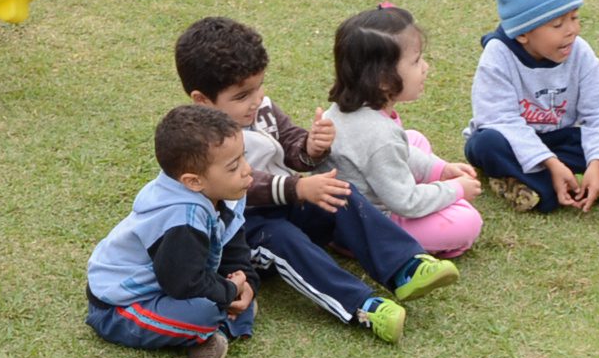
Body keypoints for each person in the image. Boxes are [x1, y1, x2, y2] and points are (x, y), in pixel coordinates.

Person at [86, 106, 418, 358]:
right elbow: (182, 282)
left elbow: (233, 245)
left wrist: (244, 282)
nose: (247, 170)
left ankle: (219, 326)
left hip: (179, 282)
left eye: (242, 156)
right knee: (204, 311)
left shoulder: (226, 191)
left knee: (234, 299)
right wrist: (231, 290)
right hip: (123, 305)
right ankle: (209, 330)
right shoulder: (179, 219)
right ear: (193, 181)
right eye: (233, 166)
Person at [174, 14, 471, 276]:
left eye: (259, 86)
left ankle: (401, 260)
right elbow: (240, 186)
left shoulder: (261, 107)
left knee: (397, 153)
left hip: (292, 205)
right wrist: (297, 188)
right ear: (202, 100)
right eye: (241, 97)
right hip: (253, 222)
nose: (256, 100)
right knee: (464, 221)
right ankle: (366, 270)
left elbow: (292, 145)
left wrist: (312, 146)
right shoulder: (202, 141)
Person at [463, 0, 599, 213]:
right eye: (558, 24)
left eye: (574, 17)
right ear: (523, 33)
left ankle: (529, 183)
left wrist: (596, 163)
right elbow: (500, 119)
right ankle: (549, 187)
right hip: (511, 140)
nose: (572, 30)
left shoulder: (580, 52)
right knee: (485, 144)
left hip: (558, 139)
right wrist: (550, 163)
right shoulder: (498, 56)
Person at [320, 5, 487, 257]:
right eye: (416, 61)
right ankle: (368, 246)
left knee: (414, 139)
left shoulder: (353, 110)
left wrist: (440, 170)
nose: (425, 67)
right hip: (367, 224)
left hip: (347, 207)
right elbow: (406, 201)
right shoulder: (378, 136)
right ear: (384, 80)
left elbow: (400, 150)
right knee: (467, 222)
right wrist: (456, 190)